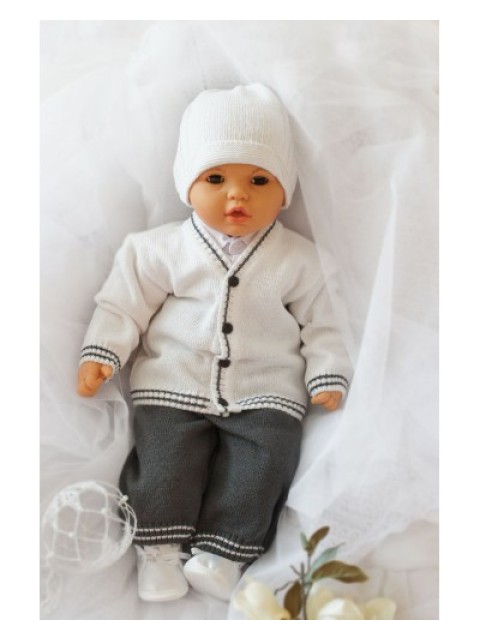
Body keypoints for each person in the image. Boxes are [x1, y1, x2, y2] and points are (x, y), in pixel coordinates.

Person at [77, 84, 352, 602]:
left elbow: (326, 323)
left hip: (266, 391)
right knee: (164, 462)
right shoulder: (157, 249)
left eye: (258, 179)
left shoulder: (301, 260)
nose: (237, 195)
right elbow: (123, 303)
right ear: (187, 184)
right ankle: (159, 551)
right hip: (172, 381)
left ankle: (224, 555)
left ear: (284, 189)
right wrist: (103, 352)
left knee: (263, 464)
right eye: (216, 178)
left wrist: (326, 373)